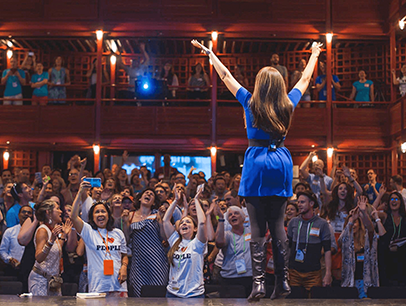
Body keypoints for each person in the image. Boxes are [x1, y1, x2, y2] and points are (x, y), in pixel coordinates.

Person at [191, 39, 322, 301]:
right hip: (281, 160)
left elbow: (226, 76)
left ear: (260, 85)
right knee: (278, 225)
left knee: (258, 228)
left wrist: (211, 55)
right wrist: (315, 54)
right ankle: (283, 282)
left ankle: (259, 283)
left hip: (257, 161)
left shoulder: (250, 102)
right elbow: (305, 80)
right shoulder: (287, 103)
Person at [70, 179, 128, 296]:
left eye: (103, 211)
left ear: (108, 215)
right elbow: (73, 216)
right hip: (98, 287)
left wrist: (124, 267)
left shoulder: (118, 233)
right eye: (97, 212)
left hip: (119, 286)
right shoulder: (88, 232)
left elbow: (124, 255)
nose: (100, 214)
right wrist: (80, 191)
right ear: (92, 216)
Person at [163, 186, 207, 298]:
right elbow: (165, 220)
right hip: (172, 293)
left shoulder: (197, 244)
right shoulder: (175, 241)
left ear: (195, 228)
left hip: (194, 295)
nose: (184, 224)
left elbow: (202, 223)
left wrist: (196, 200)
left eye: (188, 222)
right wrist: (175, 200)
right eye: (182, 222)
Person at [123, 188, 169, 297]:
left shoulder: (157, 214)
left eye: (152, 194)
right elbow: (126, 240)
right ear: (139, 199)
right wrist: (125, 223)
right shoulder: (130, 215)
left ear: (153, 202)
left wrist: (162, 220)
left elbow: (164, 237)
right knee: (138, 294)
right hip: (138, 262)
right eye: (146, 192)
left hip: (157, 260)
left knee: (157, 294)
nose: (148, 194)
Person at [338, 197, 384, 299]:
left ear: (360, 224)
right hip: (350, 282)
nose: (353, 225)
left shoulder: (367, 238)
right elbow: (341, 240)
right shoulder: (347, 240)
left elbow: (370, 228)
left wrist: (364, 213)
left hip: (366, 282)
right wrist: (351, 220)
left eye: (355, 222)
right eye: (351, 223)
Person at [287, 191, 332, 292]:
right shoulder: (293, 222)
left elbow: (327, 250)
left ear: (311, 204)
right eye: (298, 202)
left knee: (313, 302)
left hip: (313, 273)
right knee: (293, 301)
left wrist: (328, 273)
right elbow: (288, 247)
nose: (299, 205)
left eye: (302, 202)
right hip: (294, 272)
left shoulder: (322, 223)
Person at [28, 199, 71, 296]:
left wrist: (64, 234)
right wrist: (50, 241)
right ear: (48, 212)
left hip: (54, 282)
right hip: (40, 280)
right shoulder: (42, 230)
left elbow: (58, 248)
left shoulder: (52, 231)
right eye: (58, 209)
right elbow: (39, 258)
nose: (61, 211)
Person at [215, 205, 252, 297]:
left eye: (236, 213)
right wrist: (220, 219)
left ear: (243, 218)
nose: (233, 216)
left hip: (250, 276)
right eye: (230, 215)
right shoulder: (227, 235)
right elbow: (219, 243)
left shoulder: (251, 232)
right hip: (230, 278)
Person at [0, 205, 33, 276]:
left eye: (29, 212)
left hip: (29, 270)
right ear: (18, 215)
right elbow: (2, 250)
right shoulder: (10, 231)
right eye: (24, 212)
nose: (26, 214)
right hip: (12, 270)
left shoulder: (35, 232)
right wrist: (9, 259)